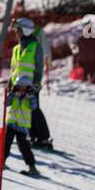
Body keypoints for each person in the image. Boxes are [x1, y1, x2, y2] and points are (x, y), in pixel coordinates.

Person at [4, 18, 40, 176]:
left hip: (28, 92)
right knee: (7, 135)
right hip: (15, 91)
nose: (15, 32)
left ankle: (32, 165)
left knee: (21, 139)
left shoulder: (35, 47)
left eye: (17, 29)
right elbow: (13, 70)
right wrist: (9, 85)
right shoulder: (16, 49)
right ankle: (1, 161)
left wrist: (35, 87)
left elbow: (38, 70)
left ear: (25, 30)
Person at [28, 20, 53, 149]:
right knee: (27, 106)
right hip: (24, 78)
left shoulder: (37, 31)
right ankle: (32, 134)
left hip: (34, 77)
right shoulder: (22, 37)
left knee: (33, 106)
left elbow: (46, 49)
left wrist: (48, 59)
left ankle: (43, 137)